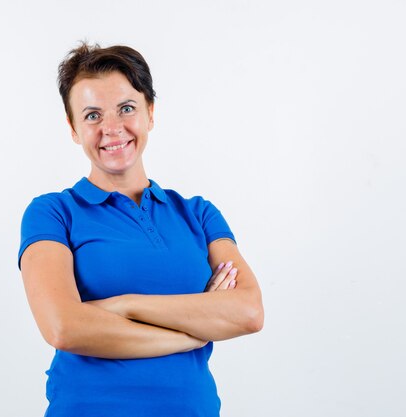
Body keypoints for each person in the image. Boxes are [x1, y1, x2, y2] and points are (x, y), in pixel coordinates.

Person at [18, 42, 264, 417]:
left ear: (150, 112)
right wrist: (194, 331)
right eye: (92, 115)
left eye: (126, 108)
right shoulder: (53, 213)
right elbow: (63, 327)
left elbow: (247, 313)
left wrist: (124, 305)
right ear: (73, 128)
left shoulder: (198, 214)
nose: (112, 128)